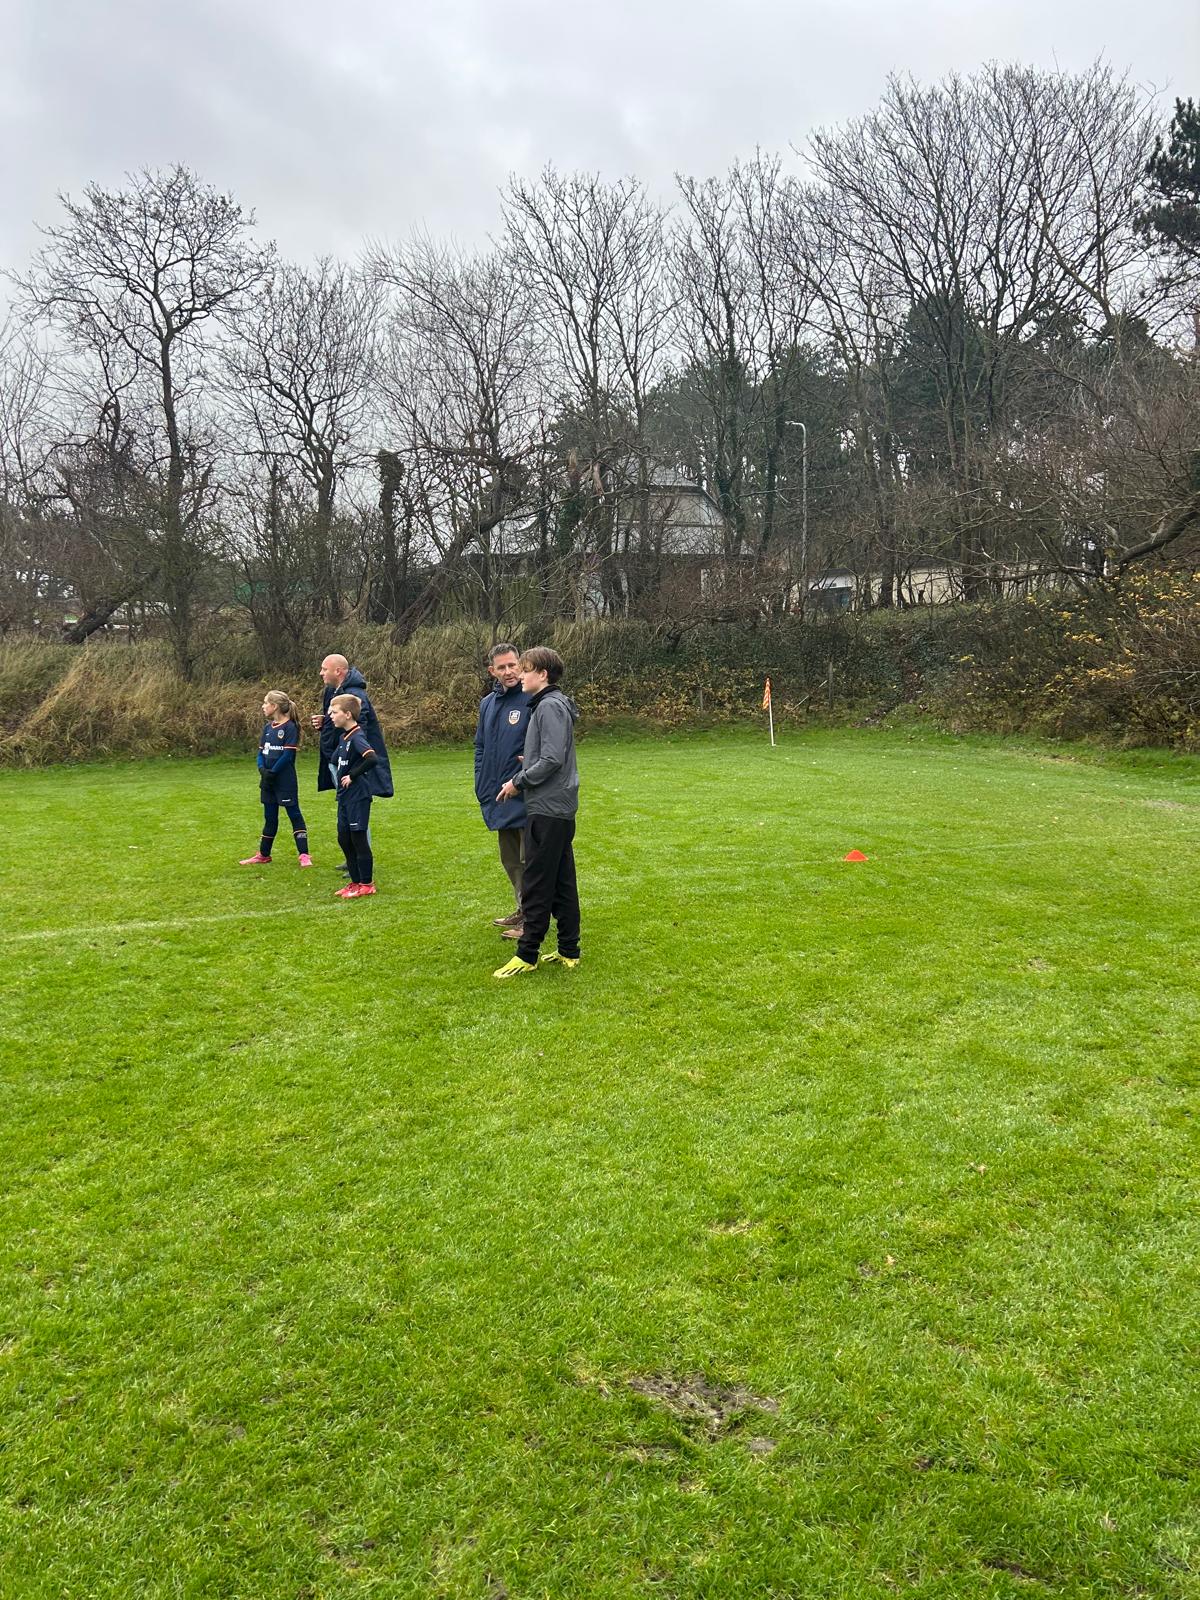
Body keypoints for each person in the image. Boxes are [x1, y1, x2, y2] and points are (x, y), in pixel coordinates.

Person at [492, 647, 580, 978]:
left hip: (549, 808)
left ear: (542, 674)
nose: (521, 675)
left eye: (526, 670)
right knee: (561, 881)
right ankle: (570, 949)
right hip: (554, 805)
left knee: (537, 882)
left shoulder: (549, 706)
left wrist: (519, 780)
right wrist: (529, 763)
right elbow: (549, 755)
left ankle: (526, 954)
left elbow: (553, 758)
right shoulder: (547, 705)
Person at [311, 654, 393, 870]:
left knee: (356, 812)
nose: (321, 673)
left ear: (338, 671)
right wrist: (325, 721)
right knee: (345, 812)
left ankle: (361, 862)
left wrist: (350, 764)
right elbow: (339, 722)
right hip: (335, 759)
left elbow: (358, 731)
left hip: (349, 765)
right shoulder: (333, 691)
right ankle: (352, 860)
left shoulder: (356, 696)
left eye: (324, 669)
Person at [474, 642, 531, 941]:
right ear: (492, 671)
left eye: (513, 665)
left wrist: (522, 781)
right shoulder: (488, 704)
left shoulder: (532, 698)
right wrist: (480, 781)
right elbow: (481, 747)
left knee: (529, 857)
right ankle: (523, 908)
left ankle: (532, 919)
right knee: (510, 858)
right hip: (497, 794)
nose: (508, 672)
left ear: (521, 664)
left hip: (525, 793)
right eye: (502, 667)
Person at [239, 690, 313, 868]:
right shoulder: (267, 728)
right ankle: (264, 854)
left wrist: (273, 772)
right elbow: (260, 753)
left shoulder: (290, 728)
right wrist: (262, 770)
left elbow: (287, 755)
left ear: (275, 706)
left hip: (284, 780)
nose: (263, 706)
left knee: (294, 814)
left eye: (266, 703)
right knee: (270, 817)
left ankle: (304, 854)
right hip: (268, 780)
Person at [328, 694, 385, 898]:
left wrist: (352, 775)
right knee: (344, 839)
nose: (330, 716)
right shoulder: (345, 737)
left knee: (358, 839)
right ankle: (354, 882)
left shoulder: (358, 736)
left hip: (358, 796)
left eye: (334, 712)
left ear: (348, 714)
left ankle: (367, 884)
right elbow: (335, 760)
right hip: (344, 797)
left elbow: (371, 759)